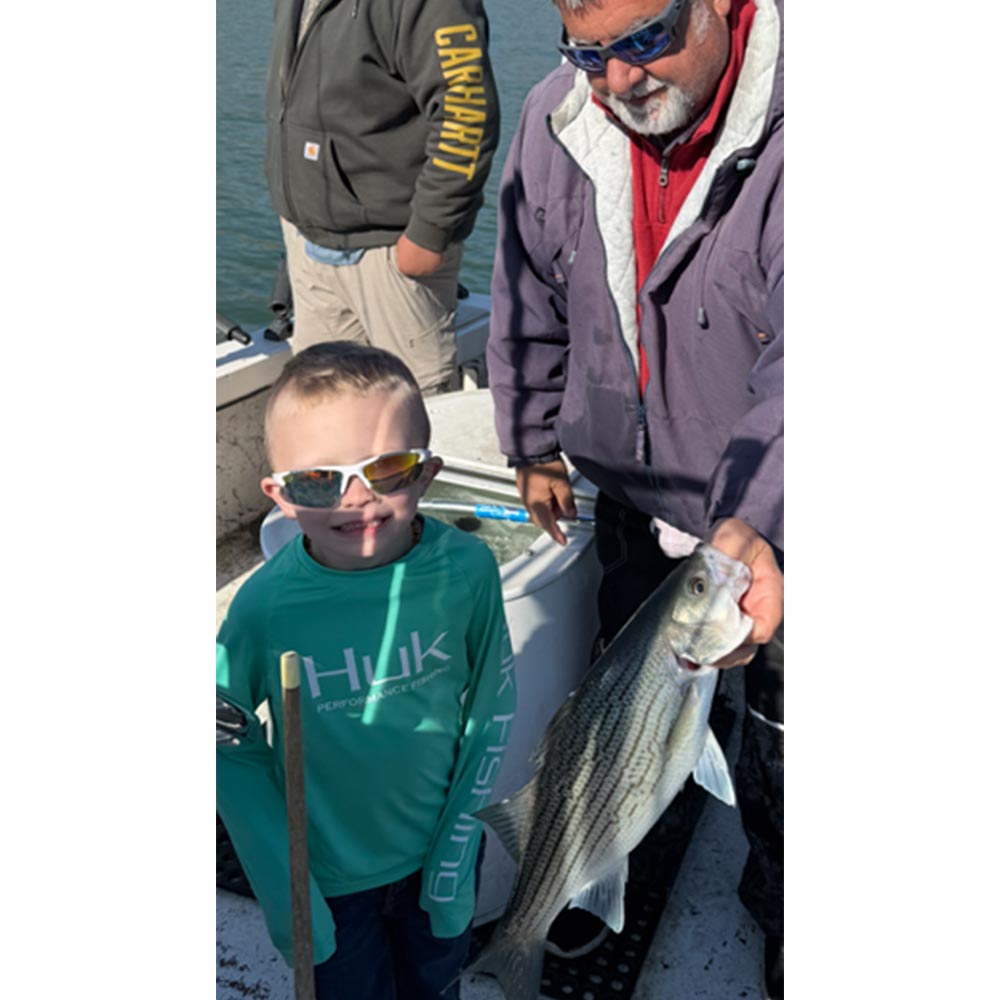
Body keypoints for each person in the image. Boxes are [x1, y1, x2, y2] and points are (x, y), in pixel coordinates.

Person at [486, 0, 783, 994]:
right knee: (618, 717)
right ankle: (619, 860)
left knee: (781, 740)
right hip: (626, 494)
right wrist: (531, 440)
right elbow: (525, 290)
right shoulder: (551, 117)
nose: (615, 79)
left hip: (773, 503)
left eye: (645, 40)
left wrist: (766, 515)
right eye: (587, 50)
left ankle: (783, 896)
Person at [216, 342, 517, 999]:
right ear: (279, 495)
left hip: (444, 854)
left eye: (387, 469)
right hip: (326, 882)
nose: (356, 498)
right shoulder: (264, 607)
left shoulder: (468, 571)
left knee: (437, 988)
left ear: (428, 472)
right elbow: (225, 752)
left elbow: (490, 711)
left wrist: (453, 857)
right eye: (318, 480)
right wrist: (290, 894)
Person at [264, 0, 501, 395]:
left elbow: (467, 113)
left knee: (410, 416)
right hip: (310, 245)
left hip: (392, 251)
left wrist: (430, 231)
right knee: (326, 411)